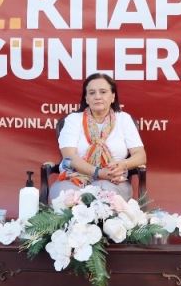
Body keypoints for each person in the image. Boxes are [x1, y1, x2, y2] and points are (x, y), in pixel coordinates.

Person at [50, 73, 147, 201]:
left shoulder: (124, 119)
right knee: (66, 197)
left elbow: (140, 156)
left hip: (114, 180)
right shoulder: (73, 120)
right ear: (86, 98)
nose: (97, 96)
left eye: (103, 92)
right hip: (74, 178)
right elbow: (69, 157)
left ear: (113, 96)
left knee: (105, 194)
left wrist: (123, 164)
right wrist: (98, 172)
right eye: (92, 93)